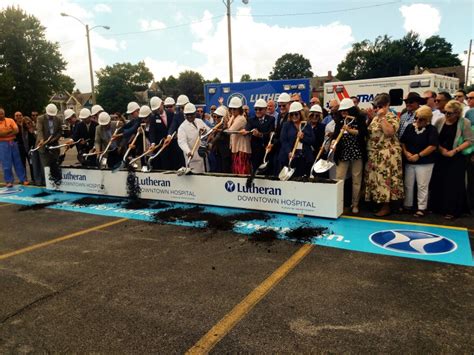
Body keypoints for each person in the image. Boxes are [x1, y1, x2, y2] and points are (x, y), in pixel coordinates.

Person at [430, 100, 473, 219]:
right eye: (445, 112)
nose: (447, 115)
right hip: (441, 155)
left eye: (450, 113)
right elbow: (434, 138)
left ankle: (452, 210)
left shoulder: (465, 123)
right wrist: (441, 149)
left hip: (456, 157)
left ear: (457, 113)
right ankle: (438, 207)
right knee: (439, 181)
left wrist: (455, 151)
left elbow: (469, 140)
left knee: (453, 184)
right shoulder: (440, 121)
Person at [364, 93, 404, 217]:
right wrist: (371, 118)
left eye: (380, 106)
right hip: (374, 154)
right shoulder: (375, 118)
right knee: (376, 180)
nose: (377, 108)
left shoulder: (392, 117)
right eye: (375, 106)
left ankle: (386, 206)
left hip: (387, 154)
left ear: (387, 105)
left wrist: (382, 117)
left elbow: (389, 133)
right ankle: (378, 203)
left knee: (385, 181)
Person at [400, 105, 438, 217]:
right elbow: (403, 142)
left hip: (425, 162)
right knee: (408, 184)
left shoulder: (432, 130)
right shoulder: (410, 127)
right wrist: (406, 152)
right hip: (409, 160)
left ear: (427, 120)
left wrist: (419, 155)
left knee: (422, 185)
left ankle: (422, 207)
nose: (417, 121)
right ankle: (407, 205)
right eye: (416, 118)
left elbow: (433, 146)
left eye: (421, 119)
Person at [332, 98, 367, 214]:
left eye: (345, 111)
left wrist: (350, 130)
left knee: (356, 179)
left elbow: (364, 133)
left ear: (351, 110)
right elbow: (336, 134)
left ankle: (355, 204)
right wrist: (333, 142)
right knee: (339, 178)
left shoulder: (360, 119)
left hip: (357, 152)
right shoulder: (339, 121)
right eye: (342, 111)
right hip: (343, 153)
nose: (343, 113)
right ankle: (338, 203)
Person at [278, 102, 314, 178]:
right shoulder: (286, 125)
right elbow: (283, 140)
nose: (294, 116)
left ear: (301, 113)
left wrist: (303, 138)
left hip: (304, 158)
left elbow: (312, 140)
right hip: (290, 157)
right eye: (292, 114)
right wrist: (289, 152)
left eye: (296, 114)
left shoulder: (306, 125)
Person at [177, 103, 210, 173]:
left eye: (191, 114)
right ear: (184, 115)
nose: (189, 116)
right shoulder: (182, 127)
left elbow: (208, 130)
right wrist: (188, 151)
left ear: (195, 114)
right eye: (187, 115)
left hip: (202, 156)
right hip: (192, 158)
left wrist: (205, 131)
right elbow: (182, 142)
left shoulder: (199, 121)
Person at [0, 107, 28, 187]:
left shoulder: (10, 120)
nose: (1, 115)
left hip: (13, 143)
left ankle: (23, 179)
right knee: (6, 164)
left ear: (4, 113)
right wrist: (9, 131)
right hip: (2, 144)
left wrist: (4, 133)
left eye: (2, 113)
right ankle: (9, 181)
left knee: (18, 162)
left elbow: (16, 130)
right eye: (0, 114)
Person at [246, 98, 275, 172]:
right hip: (255, 152)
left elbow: (271, 133)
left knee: (268, 171)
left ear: (265, 109)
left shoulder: (271, 119)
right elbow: (247, 130)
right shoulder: (251, 120)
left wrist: (260, 134)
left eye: (260, 109)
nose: (258, 111)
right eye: (256, 109)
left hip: (267, 151)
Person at [36, 103, 62, 184]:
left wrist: (54, 139)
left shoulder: (58, 119)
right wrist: (41, 140)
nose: (51, 116)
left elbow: (59, 131)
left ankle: (56, 181)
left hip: (54, 145)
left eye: (53, 115)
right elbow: (39, 130)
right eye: (50, 115)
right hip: (43, 146)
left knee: (55, 164)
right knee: (45, 166)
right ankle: (46, 183)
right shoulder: (40, 118)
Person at [227, 97, 252, 174]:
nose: (233, 110)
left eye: (235, 109)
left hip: (242, 149)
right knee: (236, 170)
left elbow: (230, 130)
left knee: (242, 170)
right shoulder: (233, 117)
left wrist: (222, 130)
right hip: (235, 147)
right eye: (231, 109)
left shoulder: (241, 118)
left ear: (239, 109)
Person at [165, 94, 188, 170]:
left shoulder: (197, 115)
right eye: (180, 107)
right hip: (183, 146)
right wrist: (169, 136)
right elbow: (172, 126)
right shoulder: (178, 116)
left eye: (183, 107)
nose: (182, 109)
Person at [148, 96, 171, 170]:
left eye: (158, 108)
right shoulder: (153, 118)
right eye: (155, 110)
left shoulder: (171, 114)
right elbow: (152, 132)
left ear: (162, 104)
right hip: (160, 147)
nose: (157, 111)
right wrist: (153, 143)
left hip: (172, 146)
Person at [209, 106, 231, 173]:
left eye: (218, 117)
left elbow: (219, 135)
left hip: (225, 155)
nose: (216, 119)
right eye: (215, 117)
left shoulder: (227, 126)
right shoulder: (216, 126)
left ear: (223, 118)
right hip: (218, 154)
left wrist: (211, 143)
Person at [308, 104, 326, 174]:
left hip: (318, 154)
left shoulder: (323, 127)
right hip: (307, 155)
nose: (314, 117)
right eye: (312, 115)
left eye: (317, 115)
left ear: (320, 117)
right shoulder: (305, 126)